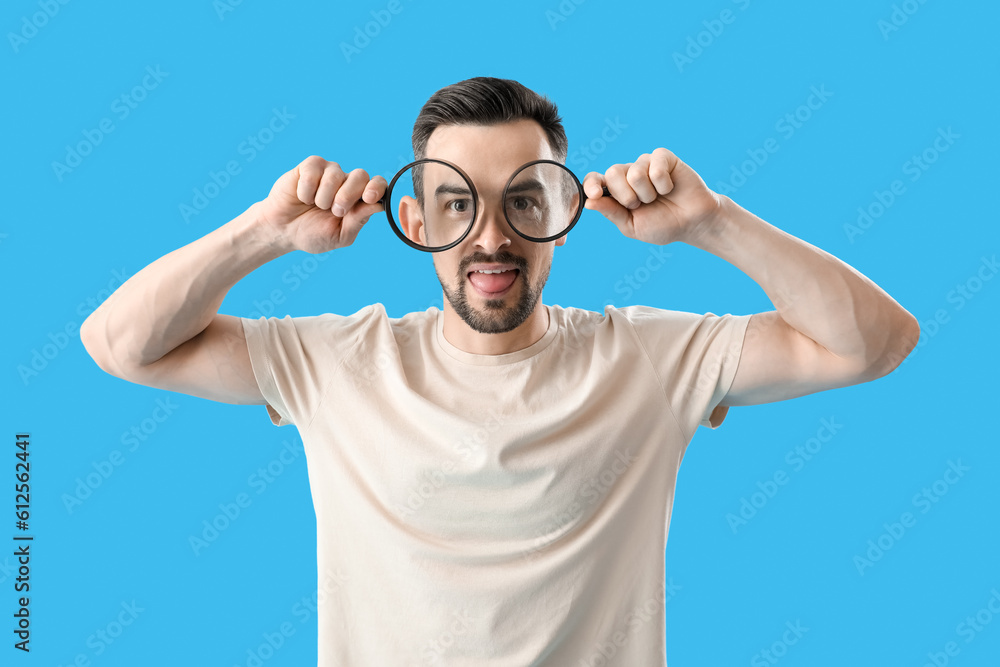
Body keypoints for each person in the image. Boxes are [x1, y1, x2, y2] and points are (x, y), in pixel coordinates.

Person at [80, 76, 918, 665]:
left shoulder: (653, 357)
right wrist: (263, 232)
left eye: (523, 199)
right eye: (457, 201)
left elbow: (874, 342)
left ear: (562, 215)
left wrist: (713, 223)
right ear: (413, 218)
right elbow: (121, 344)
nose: (490, 235)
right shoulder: (336, 360)